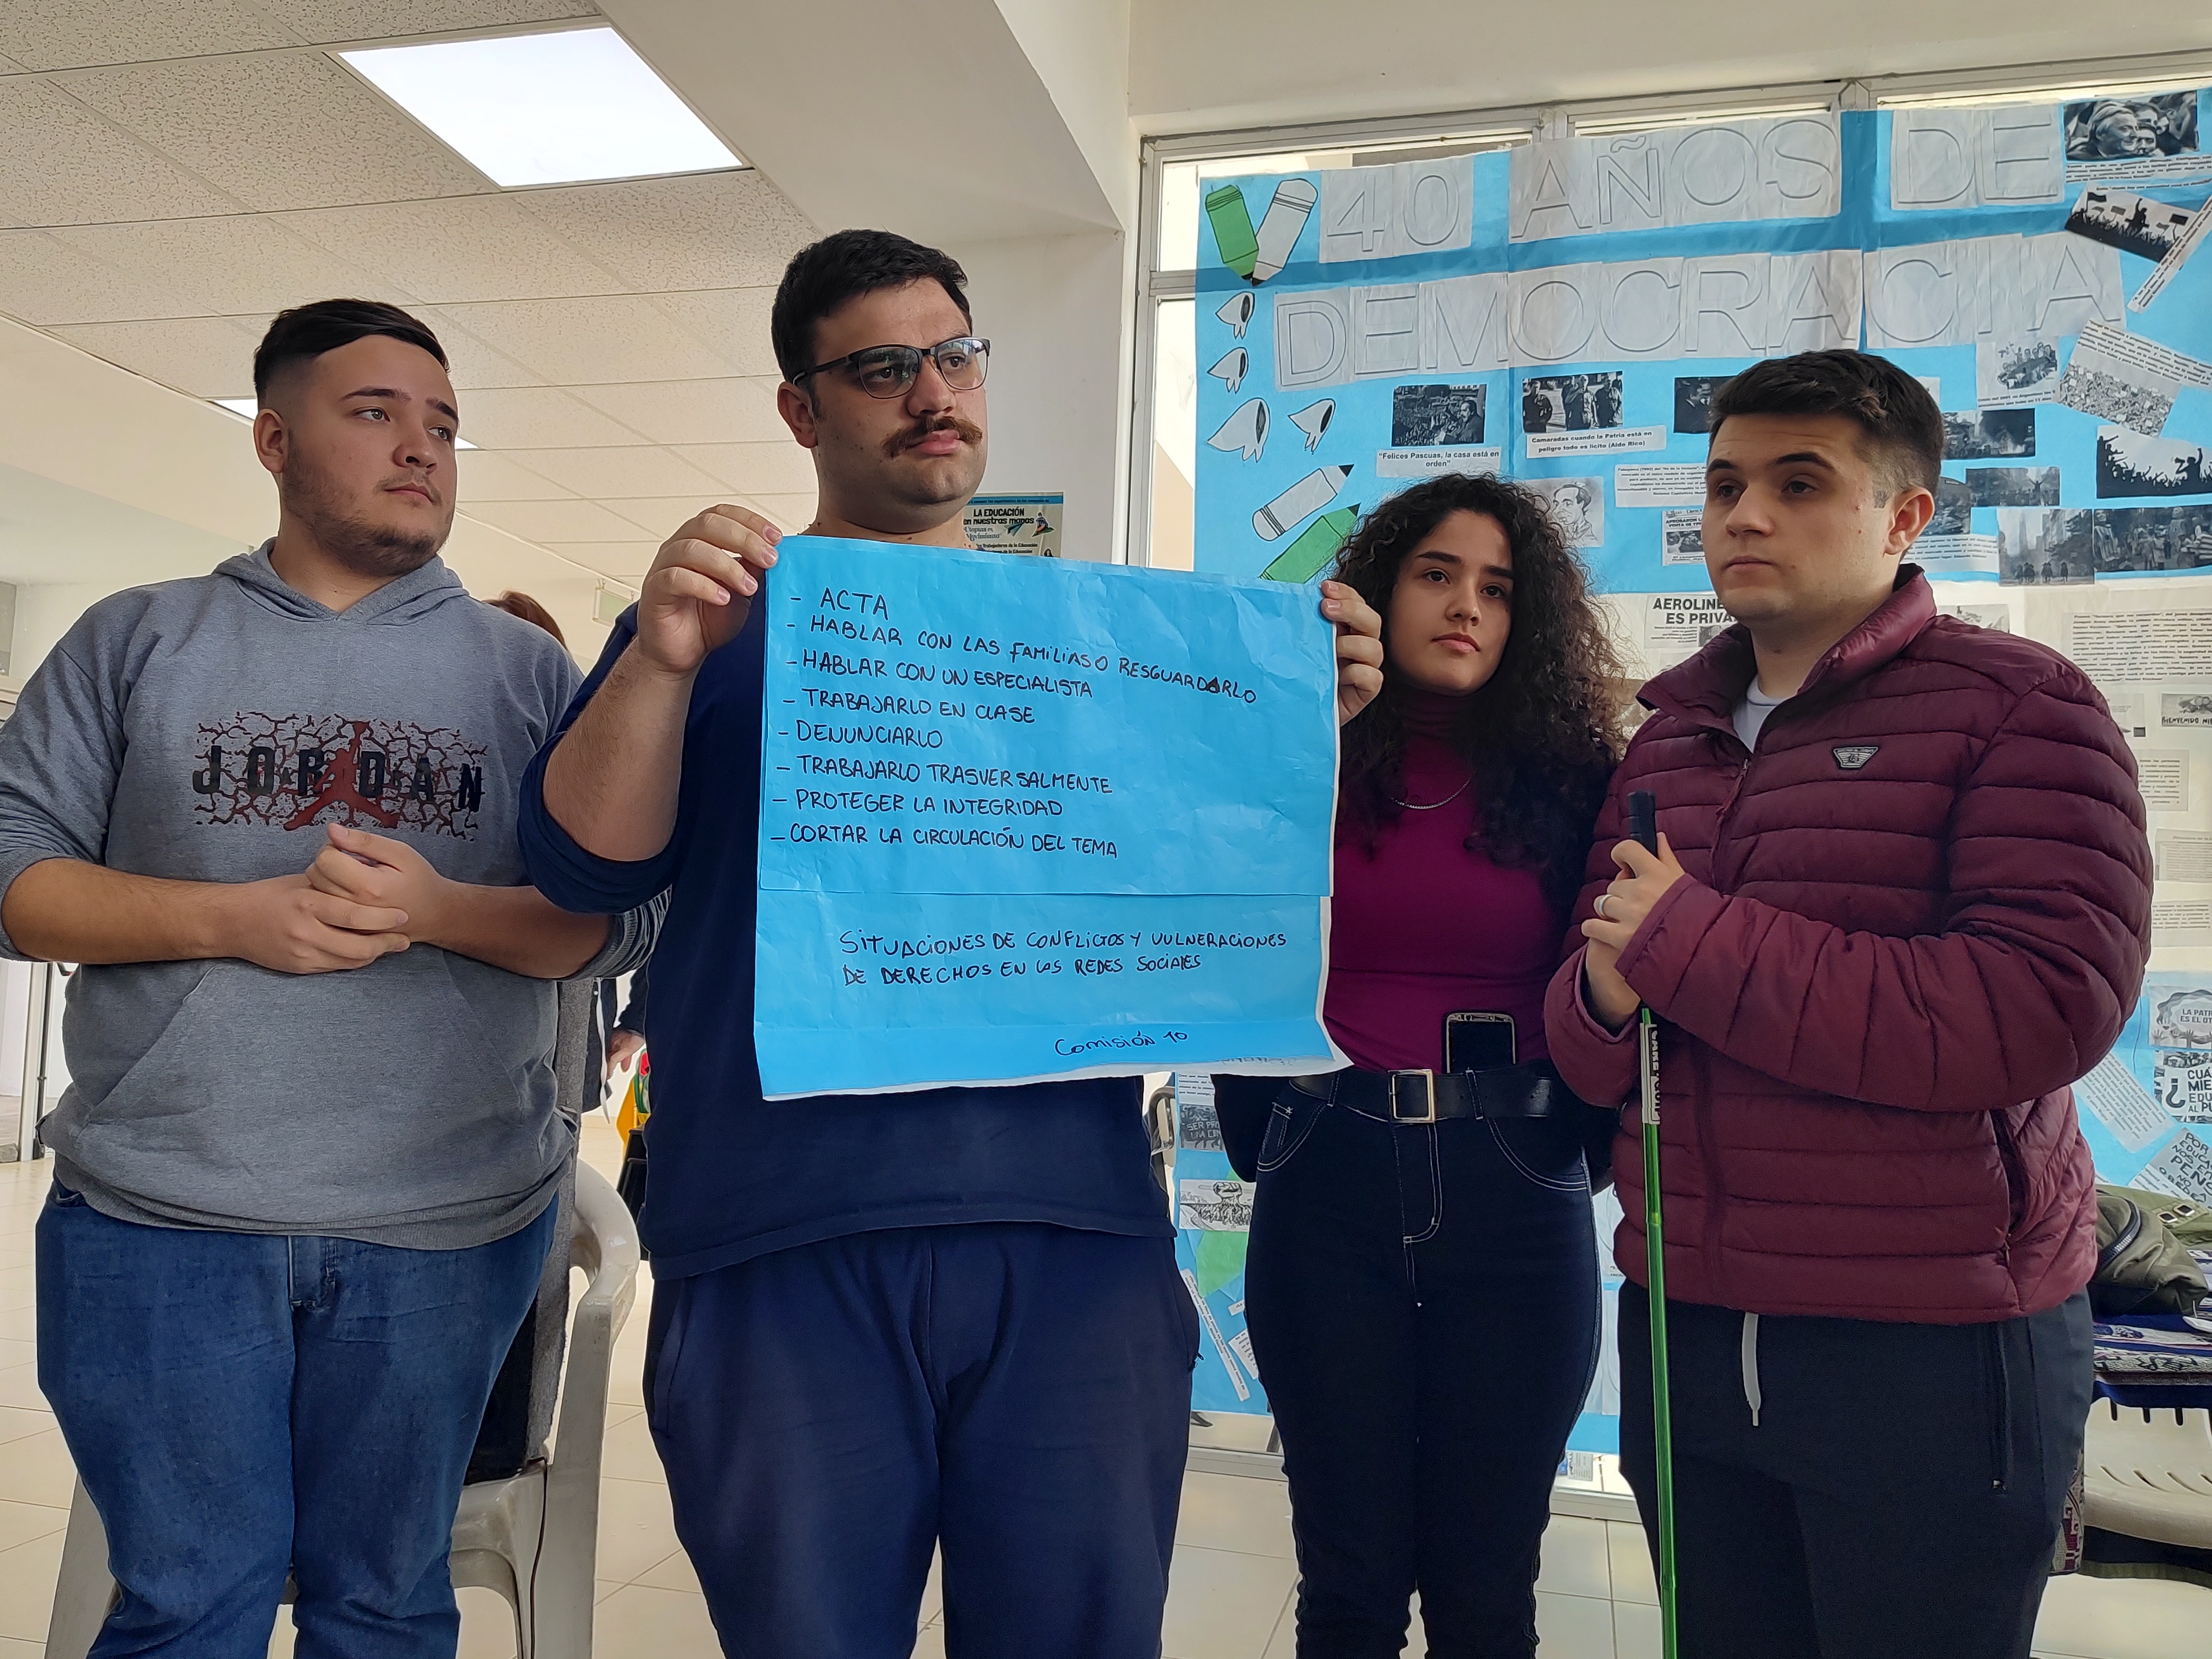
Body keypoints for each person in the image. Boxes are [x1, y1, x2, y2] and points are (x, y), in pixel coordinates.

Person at [516, 229, 1385, 1657]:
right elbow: (582, 869)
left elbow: (1203, 891)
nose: (933, 393)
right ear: (801, 409)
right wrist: (662, 656)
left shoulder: (1100, 647)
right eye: (881, 369)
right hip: (782, 1239)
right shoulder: (716, 628)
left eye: (955, 355)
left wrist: (1288, 728)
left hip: (1070, 1234)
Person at [1, 298, 657, 1658]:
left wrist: (441, 910)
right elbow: (14, 877)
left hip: (449, 1224)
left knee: (388, 1603)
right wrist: (232, 919)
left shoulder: (531, 674)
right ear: (274, 440)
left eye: (445, 427)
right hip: (159, 1215)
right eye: (375, 413)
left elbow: (615, 924)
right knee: (187, 1607)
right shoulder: (137, 640)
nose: (421, 448)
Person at [1543, 349, 2152, 1659]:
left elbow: (2037, 1009)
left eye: (1798, 483)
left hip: (1930, 1342)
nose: (1743, 515)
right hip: (1687, 1327)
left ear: (1903, 515)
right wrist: (1594, 998)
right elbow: (1597, 1054)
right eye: (1723, 485)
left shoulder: (2018, 707)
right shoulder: (1666, 737)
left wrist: (1686, 941)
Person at [1225, 472, 1620, 1657]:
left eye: (1497, 590)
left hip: (1516, 1184)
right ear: (1377, 591)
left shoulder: (1577, 780)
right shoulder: (1292, 753)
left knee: (1486, 1589)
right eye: (1436, 575)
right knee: (1347, 1582)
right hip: (1324, 1170)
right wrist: (1302, 737)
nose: (1465, 609)